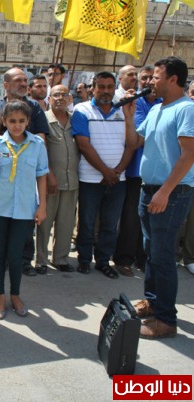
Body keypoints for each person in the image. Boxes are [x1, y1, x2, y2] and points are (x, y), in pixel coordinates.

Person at [124, 56, 194, 339]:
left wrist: (165, 192)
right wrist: (128, 117)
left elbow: (189, 155)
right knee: (151, 251)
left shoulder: (186, 109)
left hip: (171, 193)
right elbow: (134, 142)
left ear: (173, 79)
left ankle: (166, 320)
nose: (151, 81)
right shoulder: (156, 108)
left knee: (163, 256)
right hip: (149, 189)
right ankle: (153, 302)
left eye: (155, 76)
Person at [0, 100, 48, 320]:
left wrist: (42, 206)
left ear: (28, 121)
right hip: (0, 207)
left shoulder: (37, 144)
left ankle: (15, 295)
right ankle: (0, 296)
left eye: (21, 121)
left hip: (25, 209)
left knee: (16, 254)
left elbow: (41, 175)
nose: (17, 125)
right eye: (12, 121)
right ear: (4, 121)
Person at [72, 71, 133, 279]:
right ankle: (84, 259)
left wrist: (118, 171)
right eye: (101, 87)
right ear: (93, 89)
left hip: (118, 179)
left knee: (110, 224)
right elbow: (84, 145)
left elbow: (131, 144)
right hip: (90, 178)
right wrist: (106, 172)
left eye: (110, 87)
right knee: (87, 222)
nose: (106, 91)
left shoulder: (124, 110)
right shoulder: (82, 110)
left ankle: (104, 261)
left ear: (115, 88)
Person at [0, 67, 49, 276]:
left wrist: (38, 166)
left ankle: (25, 260)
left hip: (27, 169)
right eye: (18, 80)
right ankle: (1, 258)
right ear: (6, 85)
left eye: (25, 80)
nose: (23, 84)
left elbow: (41, 137)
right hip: (2, 169)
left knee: (25, 220)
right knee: (1, 218)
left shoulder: (34, 106)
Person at [113, 65, 160, 276]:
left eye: (153, 78)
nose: (149, 82)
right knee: (131, 218)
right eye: (144, 78)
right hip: (135, 170)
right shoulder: (135, 103)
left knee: (152, 219)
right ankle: (124, 258)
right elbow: (142, 134)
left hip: (158, 171)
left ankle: (144, 258)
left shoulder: (163, 103)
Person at [35, 85, 78, 274]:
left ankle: (61, 258)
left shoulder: (76, 120)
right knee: (45, 222)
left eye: (64, 95)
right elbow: (41, 149)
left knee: (66, 222)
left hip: (71, 179)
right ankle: (41, 260)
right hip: (49, 180)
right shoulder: (43, 119)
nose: (60, 98)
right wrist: (49, 174)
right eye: (56, 95)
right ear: (49, 99)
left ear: (70, 99)